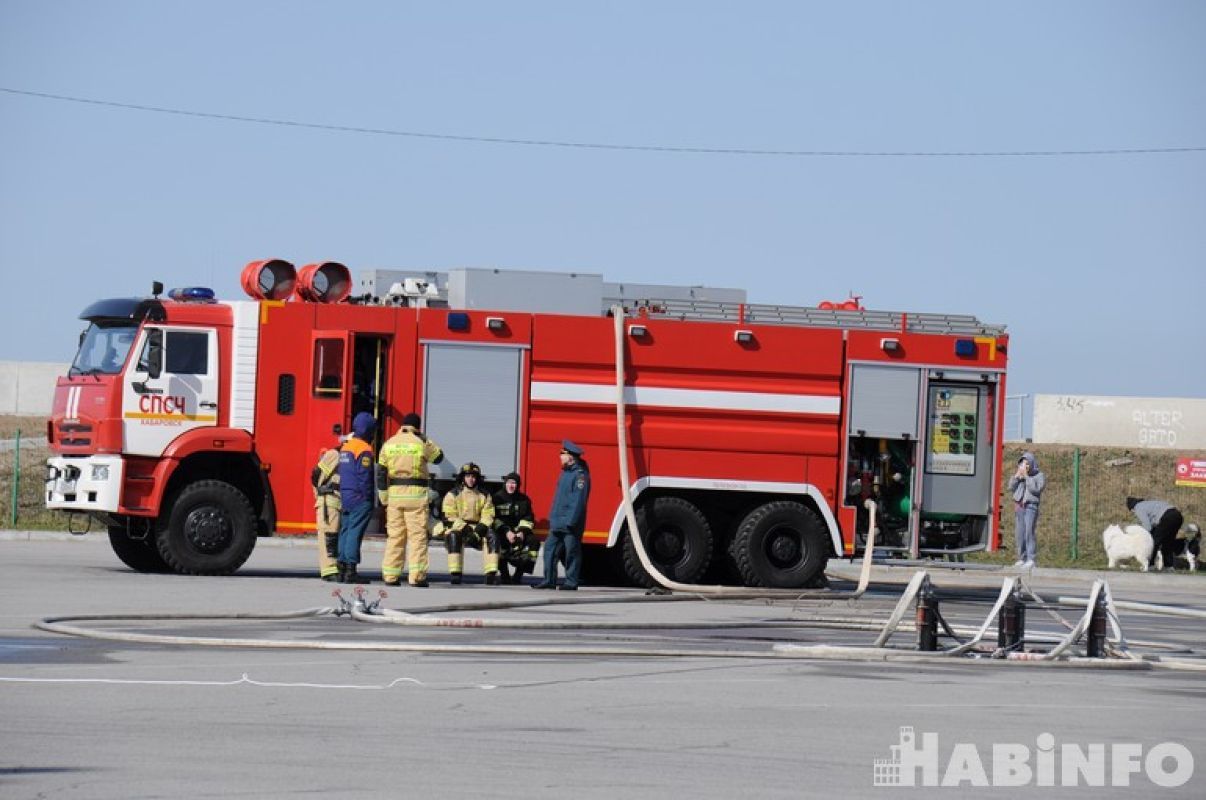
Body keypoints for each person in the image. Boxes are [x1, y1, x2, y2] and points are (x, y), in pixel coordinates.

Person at [377, 412, 444, 587]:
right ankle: (417, 577)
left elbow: (381, 472)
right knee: (417, 538)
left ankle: (390, 576)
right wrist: (425, 438)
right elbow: (439, 457)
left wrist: (383, 495)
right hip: (416, 496)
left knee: (395, 537)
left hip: (395, 496)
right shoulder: (420, 443)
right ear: (417, 427)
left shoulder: (389, 443)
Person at [534, 440, 591, 591]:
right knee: (549, 550)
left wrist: (571, 521)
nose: (560, 456)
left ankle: (571, 582)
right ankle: (549, 580)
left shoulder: (580, 476)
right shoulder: (565, 473)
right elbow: (559, 499)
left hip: (569, 524)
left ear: (571, 457)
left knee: (571, 552)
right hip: (558, 521)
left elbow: (578, 500)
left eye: (562, 453)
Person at [336, 411, 377, 584]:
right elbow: (364, 476)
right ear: (369, 431)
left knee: (345, 530)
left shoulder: (346, 447)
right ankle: (351, 570)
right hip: (359, 496)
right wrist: (368, 497)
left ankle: (341, 567)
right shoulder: (364, 449)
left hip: (345, 494)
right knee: (355, 532)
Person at [441, 462, 498, 584]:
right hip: (458, 527)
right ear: (463, 477)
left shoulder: (484, 495)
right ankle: (455, 573)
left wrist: (478, 532)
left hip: (478, 527)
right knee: (454, 536)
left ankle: (491, 573)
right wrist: (465, 529)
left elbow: (488, 515)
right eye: (468, 476)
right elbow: (449, 516)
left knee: (492, 535)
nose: (471, 479)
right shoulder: (452, 494)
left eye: (474, 476)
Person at [491, 471, 538, 584]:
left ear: (518, 485)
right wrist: (507, 532)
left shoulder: (524, 500)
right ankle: (504, 575)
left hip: (518, 532)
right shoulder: (496, 498)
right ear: (505, 483)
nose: (511, 486)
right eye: (509, 482)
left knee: (533, 542)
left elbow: (528, 518)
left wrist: (522, 532)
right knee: (496, 542)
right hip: (502, 531)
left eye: (514, 483)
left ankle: (519, 574)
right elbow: (492, 518)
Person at [311, 437, 342, 582]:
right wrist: (319, 492)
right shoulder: (335, 454)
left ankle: (333, 567)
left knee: (332, 536)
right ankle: (329, 571)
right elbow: (316, 473)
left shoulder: (342, 456)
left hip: (334, 501)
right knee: (328, 537)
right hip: (328, 501)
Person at [1007, 451, 1045, 569]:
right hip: (1019, 506)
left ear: (1032, 464)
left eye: (1028, 464)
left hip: (1030, 507)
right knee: (1020, 534)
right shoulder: (1019, 476)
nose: (1025, 466)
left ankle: (1031, 559)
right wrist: (1016, 477)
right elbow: (1010, 488)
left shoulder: (1039, 476)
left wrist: (1027, 477)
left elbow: (1036, 489)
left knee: (1029, 532)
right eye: (1023, 464)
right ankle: (1022, 558)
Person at [1126, 497, 1184, 571]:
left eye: (1132, 512)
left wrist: (1142, 536)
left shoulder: (1138, 508)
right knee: (1168, 542)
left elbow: (1148, 527)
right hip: (1177, 516)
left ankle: (1150, 565)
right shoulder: (1147, 504)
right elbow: (1154, 523)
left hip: (1167, 517)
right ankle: (1168, 566)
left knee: (1153, 542)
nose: (1134, 513)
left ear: (1132, 509)